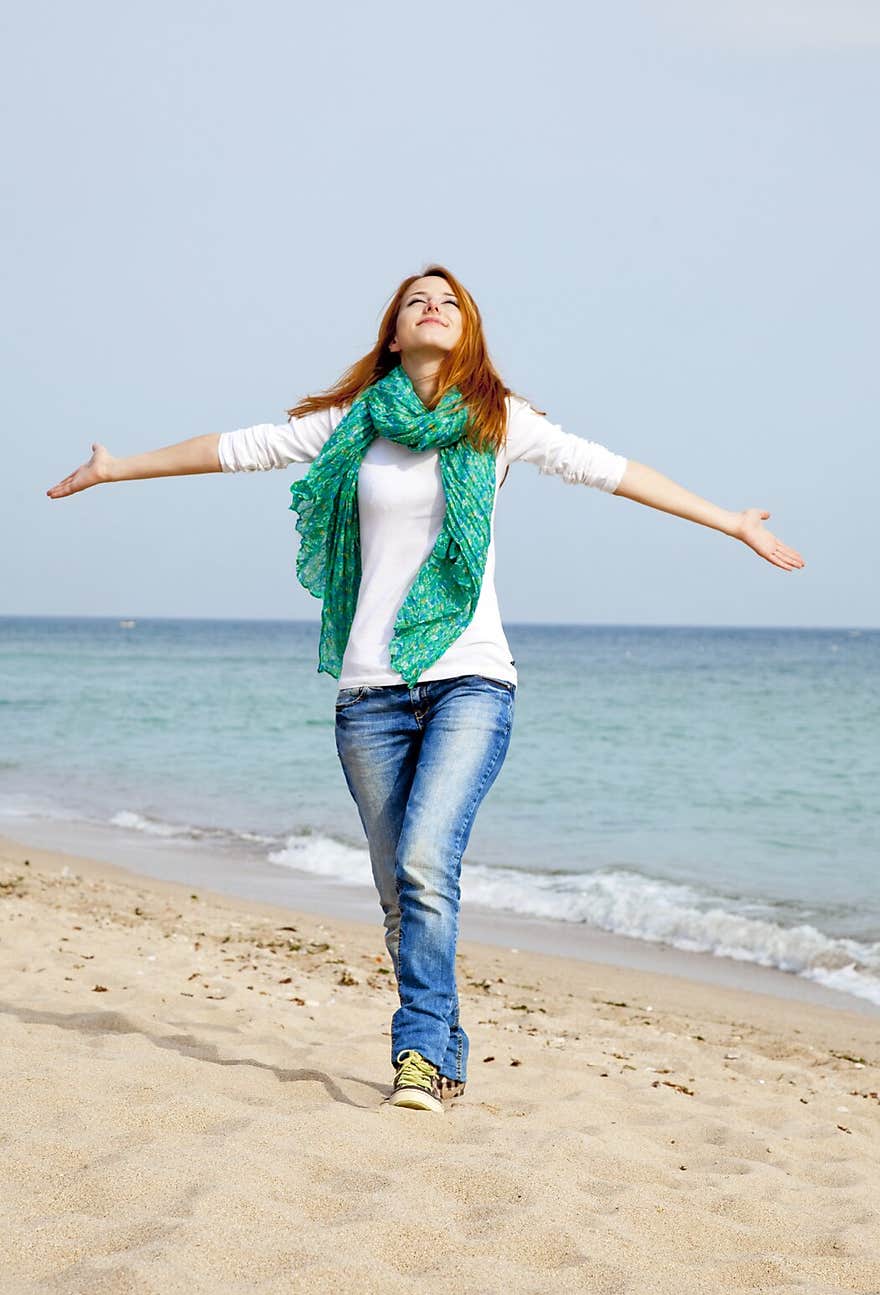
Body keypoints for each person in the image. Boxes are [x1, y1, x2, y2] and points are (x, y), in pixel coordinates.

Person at [46, 264, 806, 1116]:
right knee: (399, 894)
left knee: (421, 862)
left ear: (467, 330)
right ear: (395, 333)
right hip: (370, 692)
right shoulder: (354, 423)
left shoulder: (499, 423)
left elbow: (615, 472)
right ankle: (445, 1049)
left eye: (450, 301)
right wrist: (118, 470)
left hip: (471, 678)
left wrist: (732, 521)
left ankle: (414, 1057)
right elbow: (238, 448)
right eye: (418, 300)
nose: (434, 307)